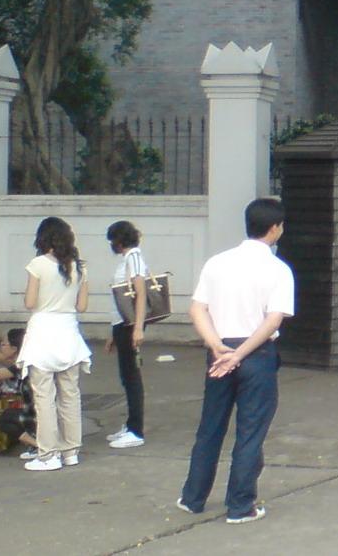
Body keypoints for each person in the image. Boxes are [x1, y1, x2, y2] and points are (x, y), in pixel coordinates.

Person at [178, 198, 295, 524]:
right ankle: (241, 505)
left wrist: (217, 347)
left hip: (219, 353)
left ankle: (193, 497)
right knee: (250, 432)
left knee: (210, 427)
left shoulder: (217, 263)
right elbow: (273, 321)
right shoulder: (278, 269)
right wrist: (239, 355)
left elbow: (197, 309)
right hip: (255, 355)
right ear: (274, 229)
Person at [16, 216, 93, 472]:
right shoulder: (79, 267)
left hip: (43, 334)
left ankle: (48, 454)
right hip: (69, 333)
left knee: (44, 398)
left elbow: (29, 302)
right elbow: (81, 306)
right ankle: (71, 450)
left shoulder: (37, 264)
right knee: (70, 395)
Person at [104, 220, 149, 448]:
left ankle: (136, 430)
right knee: (127, 375)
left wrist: (138, 327)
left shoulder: (133, 258)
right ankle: (131, 424)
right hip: (123, 324)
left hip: (129, 325)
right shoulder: (129, 258)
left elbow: (140, 294)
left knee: (131, 377)